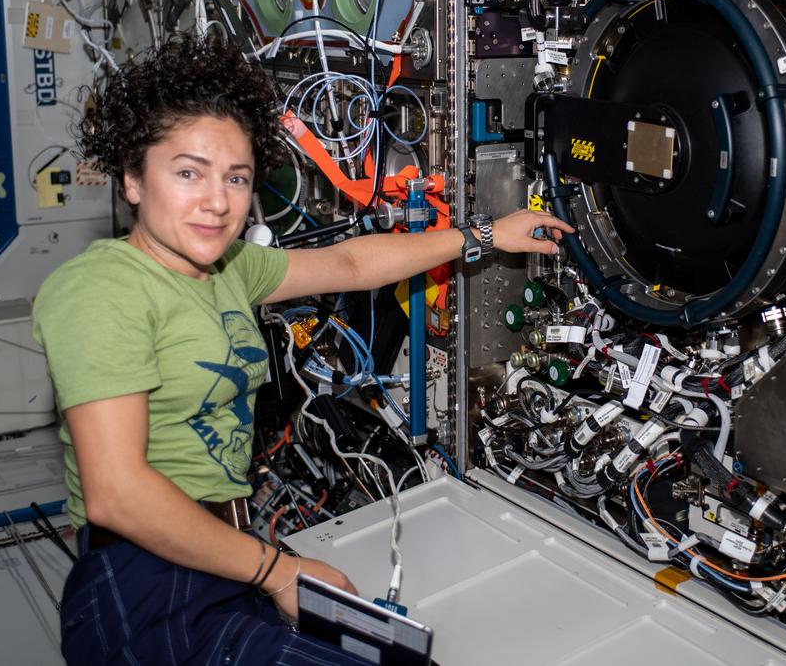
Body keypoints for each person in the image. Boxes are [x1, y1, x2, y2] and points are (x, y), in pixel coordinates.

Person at [32, 34, 571, 665]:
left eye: (236, 178)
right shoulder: (100, 288)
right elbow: (117, 493)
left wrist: (484, 232)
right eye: (187, 173)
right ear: (131, 179)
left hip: (221, 555)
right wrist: (278, 572)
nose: (217, 201)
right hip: (149, 581)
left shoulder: (228, 268)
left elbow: (348, 261)